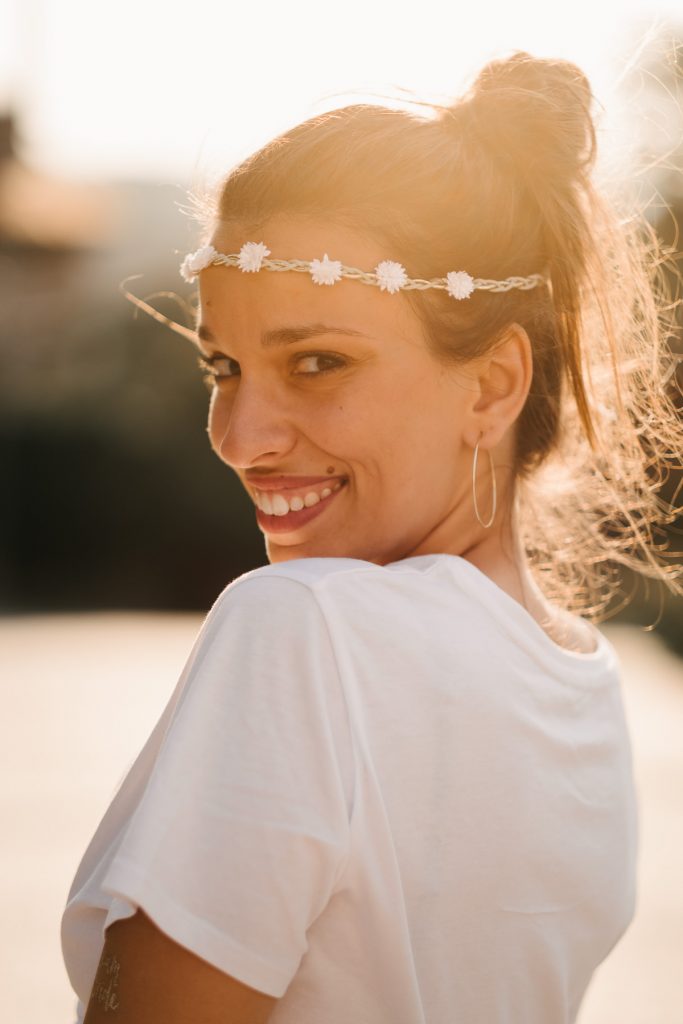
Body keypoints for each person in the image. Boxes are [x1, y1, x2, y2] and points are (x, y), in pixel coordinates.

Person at [61, 50, 683, 1023]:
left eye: (316, 361)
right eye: (222, 366)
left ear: (491, 383)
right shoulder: (585, 693)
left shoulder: (302, 629)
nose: (236, 437)